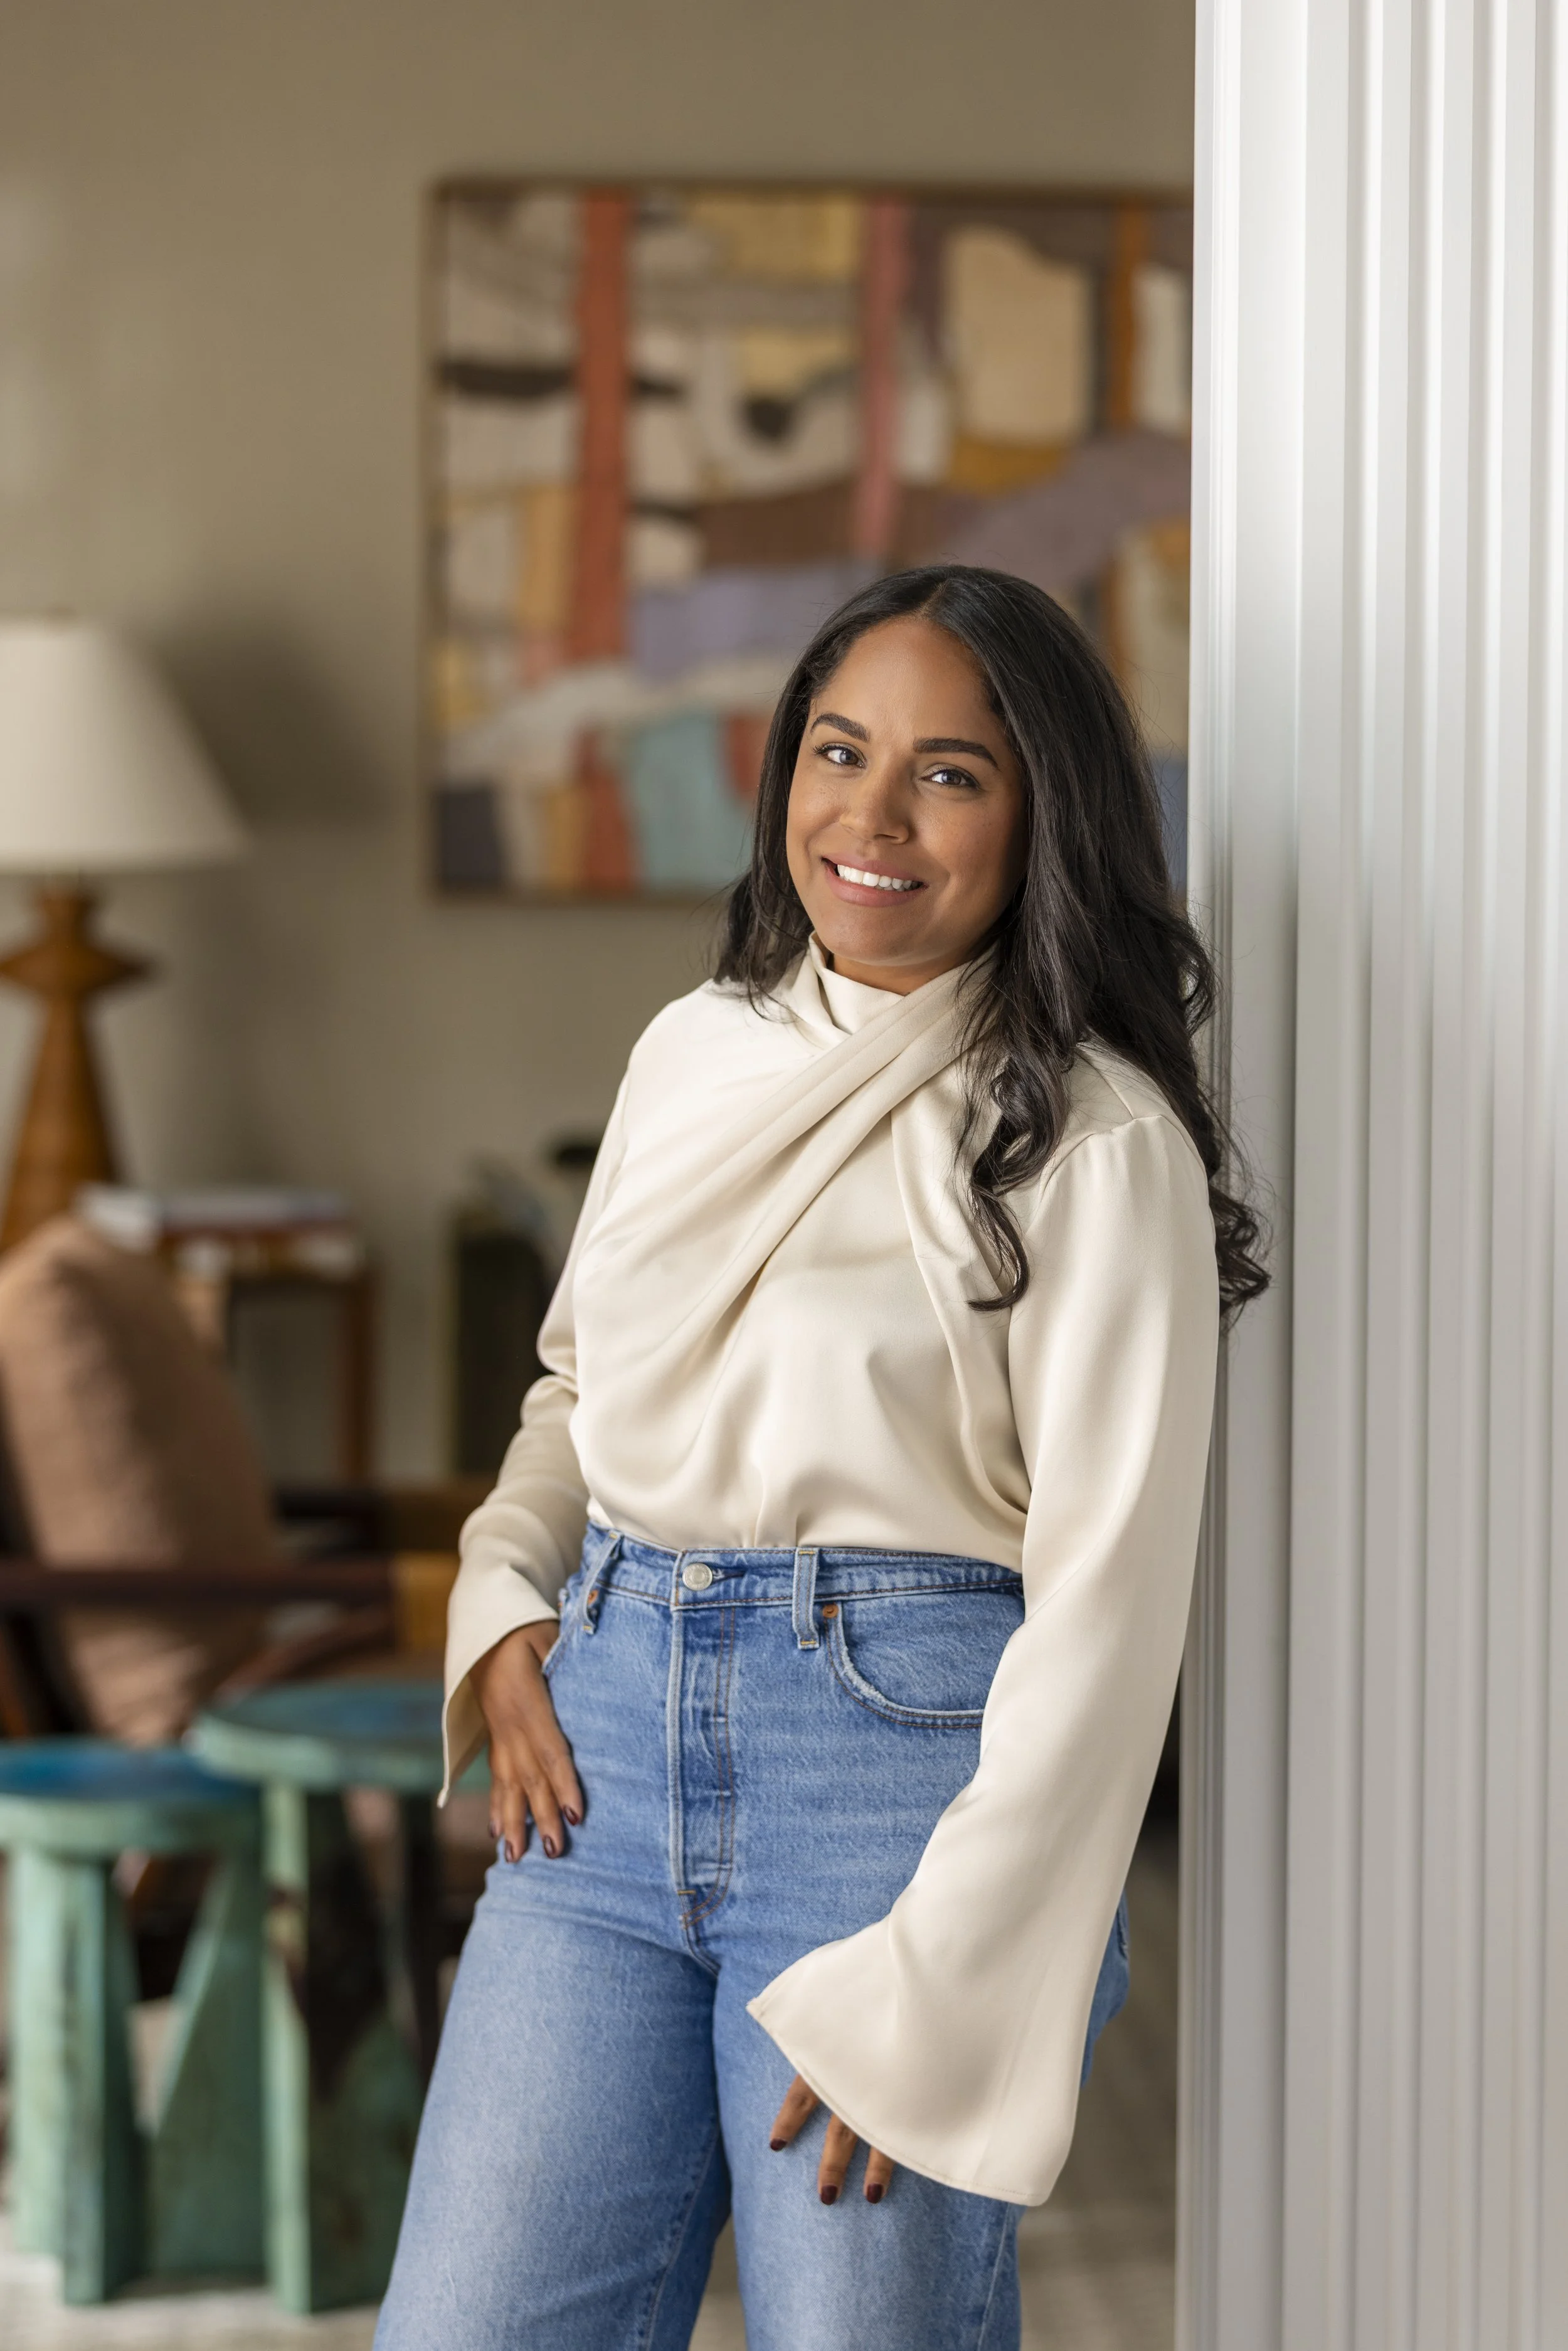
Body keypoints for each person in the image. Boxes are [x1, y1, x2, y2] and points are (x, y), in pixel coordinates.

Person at [374, 565, 1267, 2351]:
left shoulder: (1093, 1140)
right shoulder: (693, 1051)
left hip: (896, 1795)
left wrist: (945, 1989)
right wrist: (498, 1593)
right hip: (599, 1777)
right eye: (837, 749)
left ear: (1042, 817)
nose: (868, 814)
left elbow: (1107, 1617)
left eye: (947, 771)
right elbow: (575, 1389)